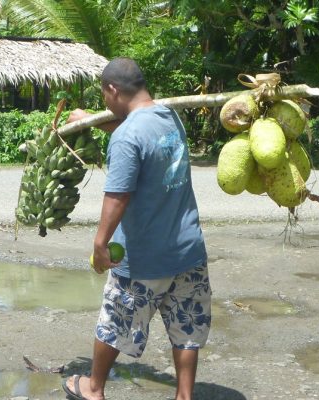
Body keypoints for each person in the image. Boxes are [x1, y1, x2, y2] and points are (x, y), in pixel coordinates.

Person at [61, 57, 210, 400]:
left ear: (112, 90)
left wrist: (100, 243)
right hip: (189, 251)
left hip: (144, 257)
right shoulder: (170, 117)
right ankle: (184, 395)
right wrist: (91, 121)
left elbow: (118, 195)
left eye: (103, 96)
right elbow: (141, 141)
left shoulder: (128, 135)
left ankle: (94, 389)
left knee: (115, 321)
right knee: (186, 325)